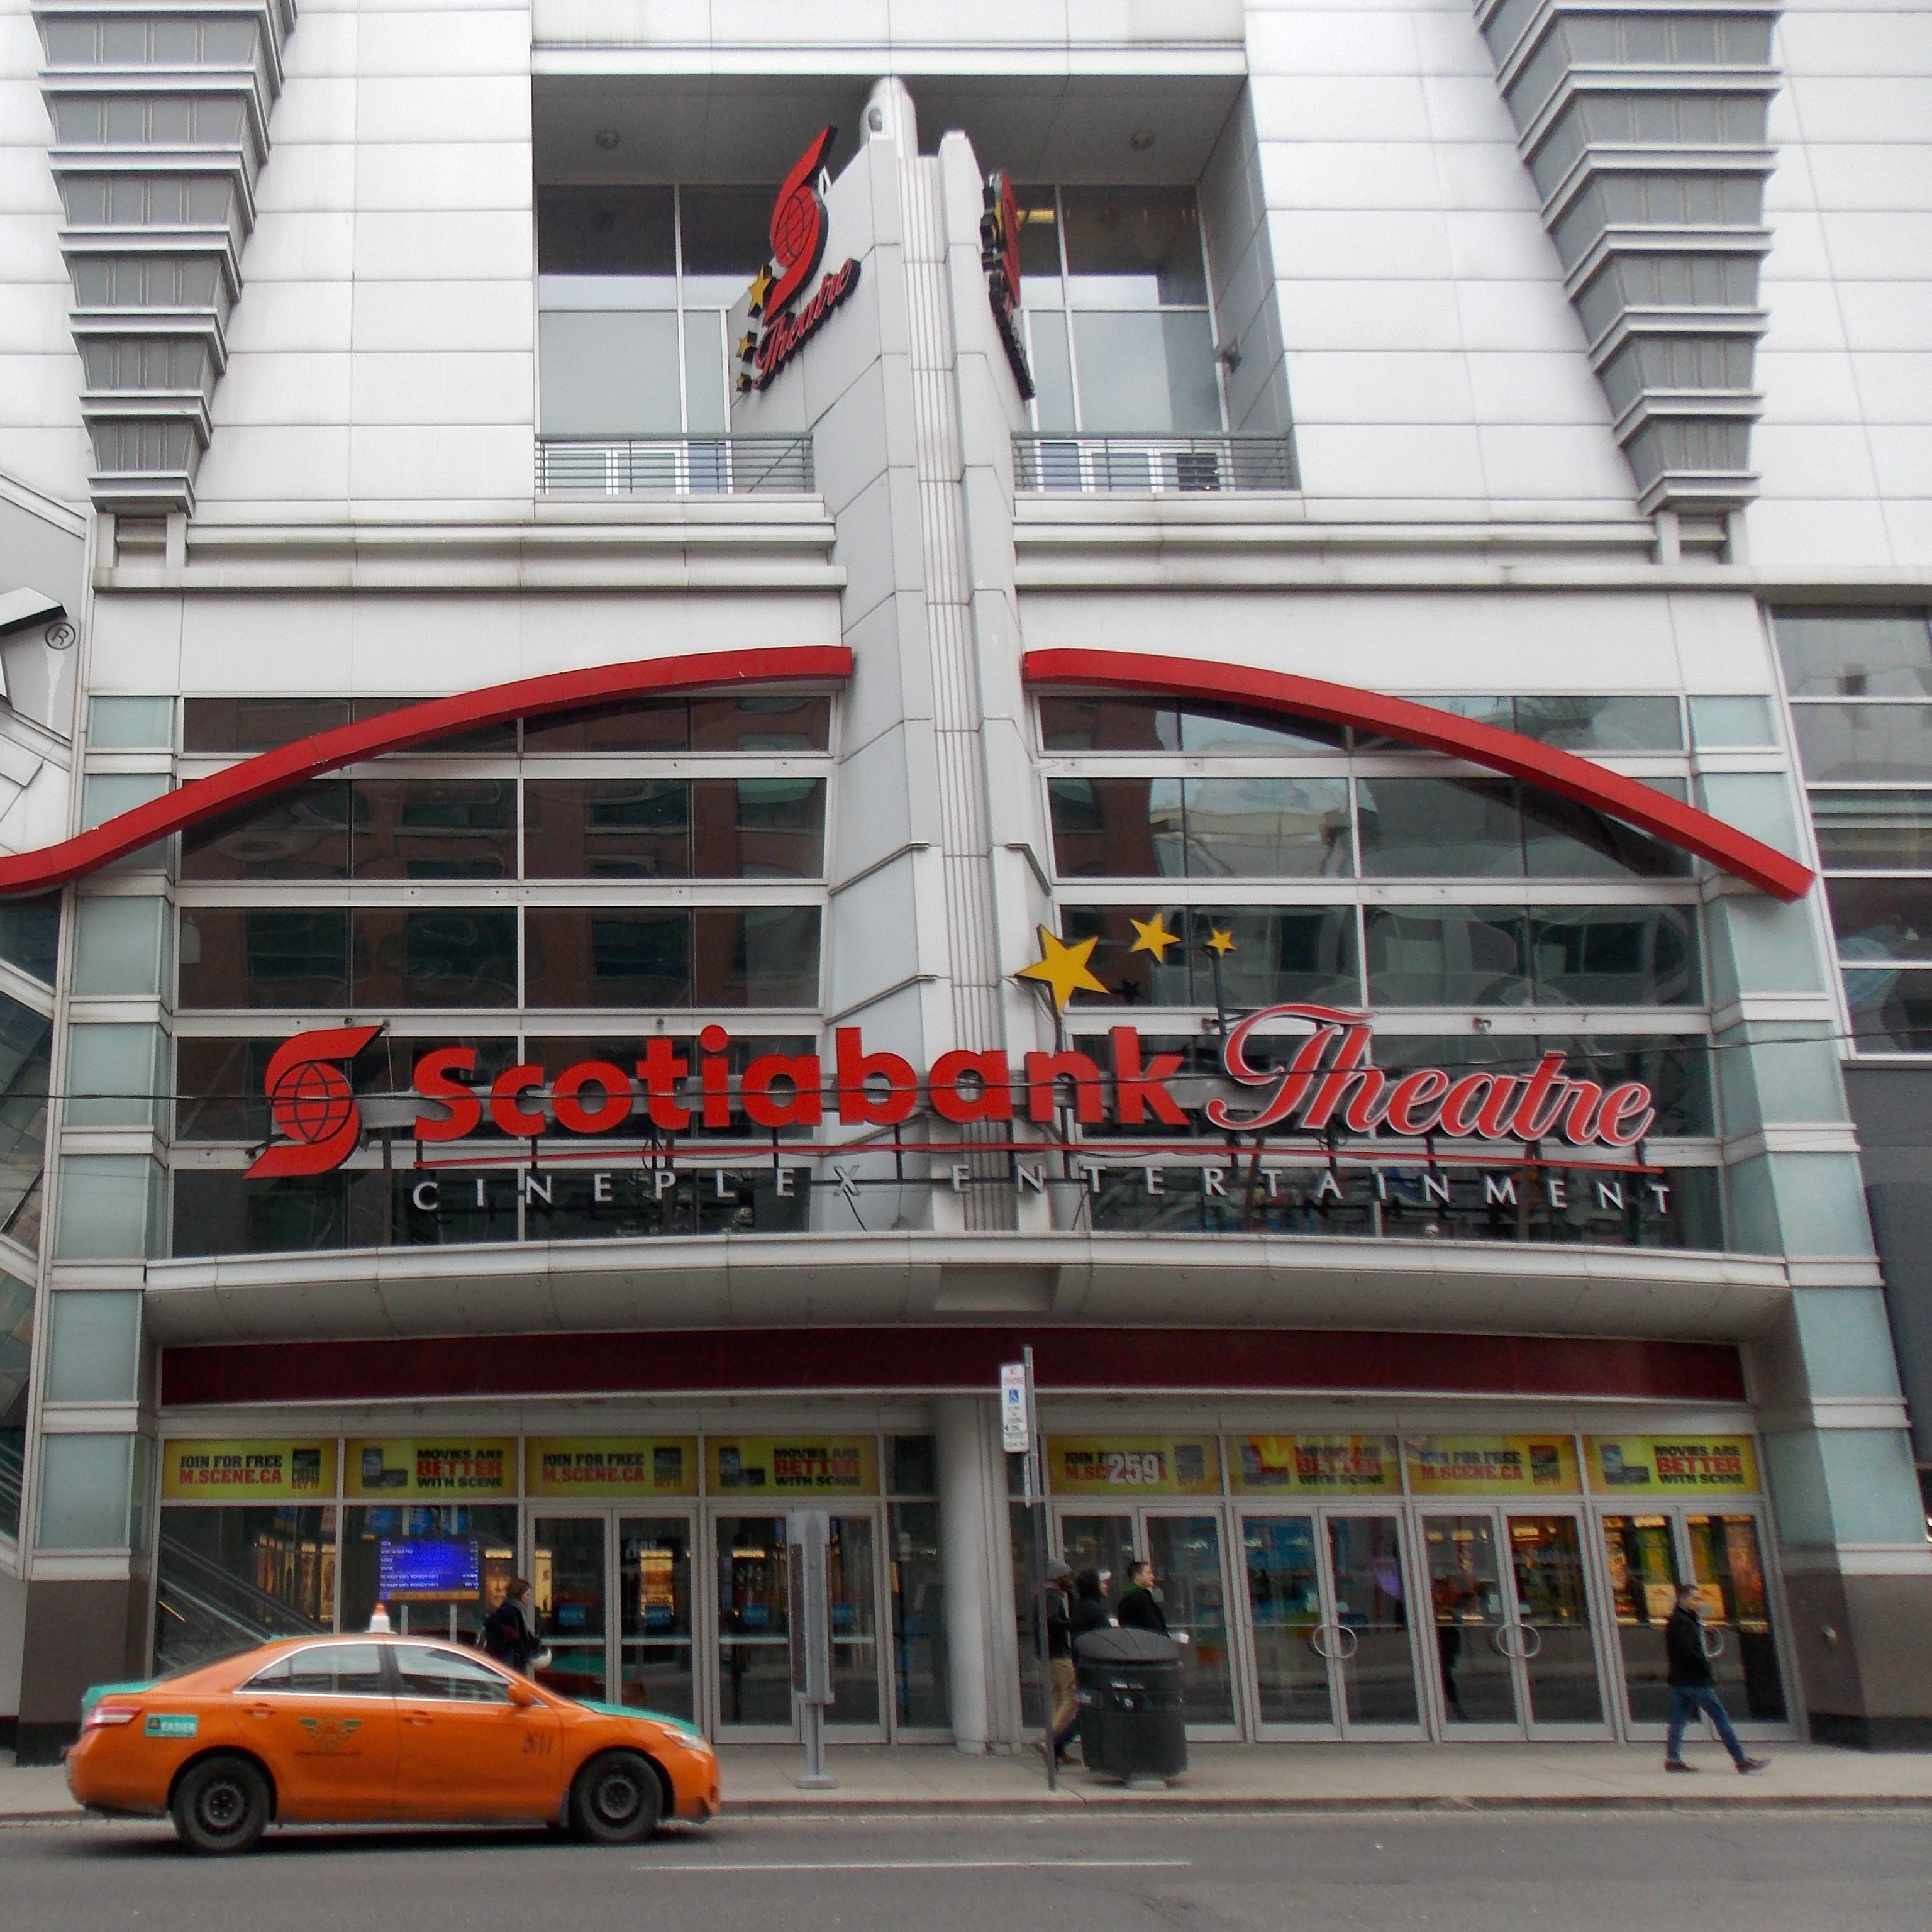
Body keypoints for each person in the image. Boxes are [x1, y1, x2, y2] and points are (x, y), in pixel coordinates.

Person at [1664, 1583, 1768, 1774]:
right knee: (1720, 1718)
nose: (1700, 1602)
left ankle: (1673, 1758)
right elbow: (1689, 1652)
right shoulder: (1684, 1623)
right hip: (1695, 1680)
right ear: (1683, 1600)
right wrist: (1704, 1665)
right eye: (1696, 1599)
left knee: (1678, 1720)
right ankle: (1741, 1760)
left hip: (1681, 1680)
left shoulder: (1679, 1620)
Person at [1041, 1558, 1077, 1765]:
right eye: (1066, 1576)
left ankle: (1057, 1748)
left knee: (1057, 1697)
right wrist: (1070, 1624)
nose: (1069, 1580)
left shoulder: (1043, 1595)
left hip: (1048, 1653)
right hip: (1059, 1653)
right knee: (1073, 1696)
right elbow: (1054, 1621)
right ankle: (1050, 1738)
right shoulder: (1053, 1597)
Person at [482, 1576, 542, 1675]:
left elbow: (521, 1632)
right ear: (520, 1594)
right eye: (527, 1595)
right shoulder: (510, 1608)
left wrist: (530, 1640)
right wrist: (507, 1631)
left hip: (515, 1655)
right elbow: (491, 1622)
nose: (528, 1598)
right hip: (511, 1655)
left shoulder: (517, 1608)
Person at [1116, 1560, 1169, 1635]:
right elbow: (1153, 1626)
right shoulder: (1140, 1599)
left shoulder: (1127, 1598)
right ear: (1137, 1576)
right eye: (1148, 1573)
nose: (1152, 1577)